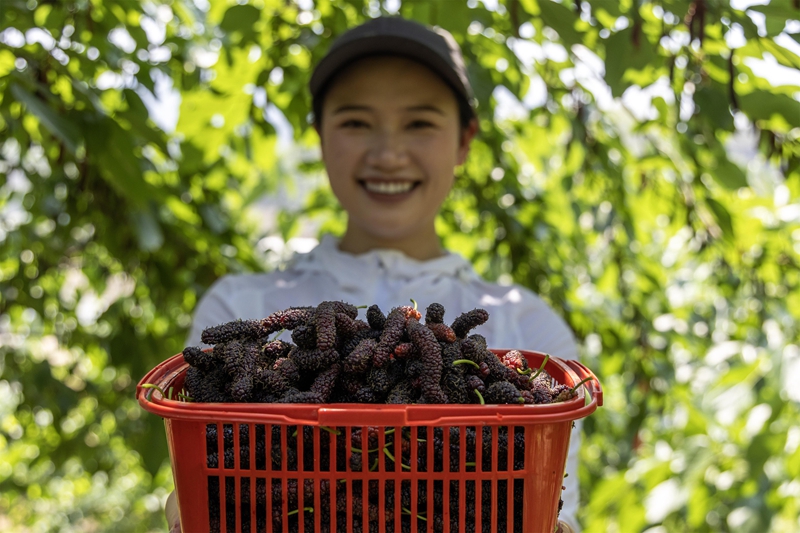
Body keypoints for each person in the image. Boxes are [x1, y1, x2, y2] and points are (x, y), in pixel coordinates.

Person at [167, 16, 580, 533]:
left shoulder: (531, 328)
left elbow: (552, 505)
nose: (387, 154)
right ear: (320, 137)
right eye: (356, 122)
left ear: (464, 141)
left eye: (419, 122)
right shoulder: (236, 307)